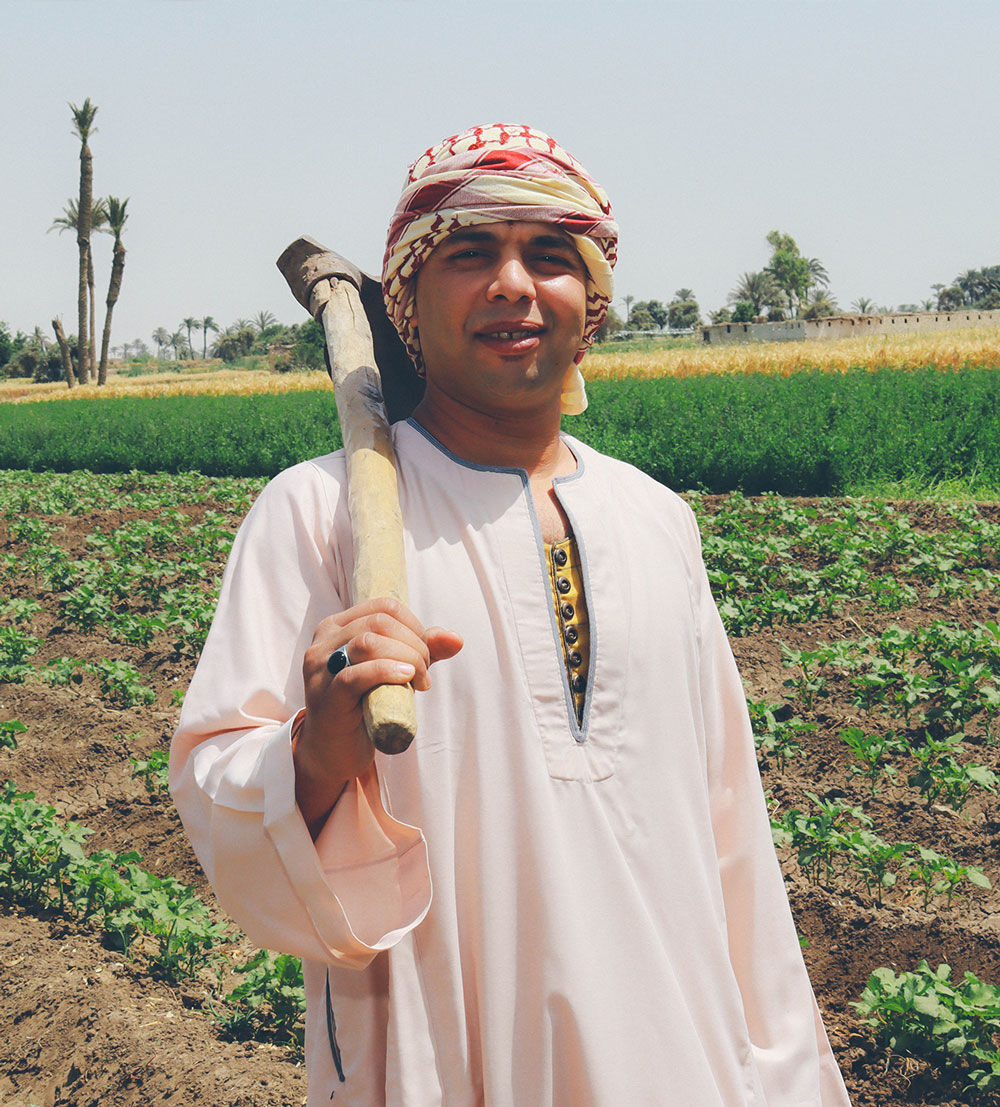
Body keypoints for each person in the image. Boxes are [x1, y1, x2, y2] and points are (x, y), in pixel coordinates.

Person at [171, 123, 852, 1106]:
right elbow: (215, 791)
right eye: (470, 254)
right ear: (405, 298)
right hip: (449, 1057)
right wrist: (316, 749)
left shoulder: (655, 521)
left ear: (593, 304)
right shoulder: (322, 515)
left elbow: (730, 834)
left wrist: (780, 1072)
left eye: (548, 256)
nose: (513, 284)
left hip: (687, 1054)